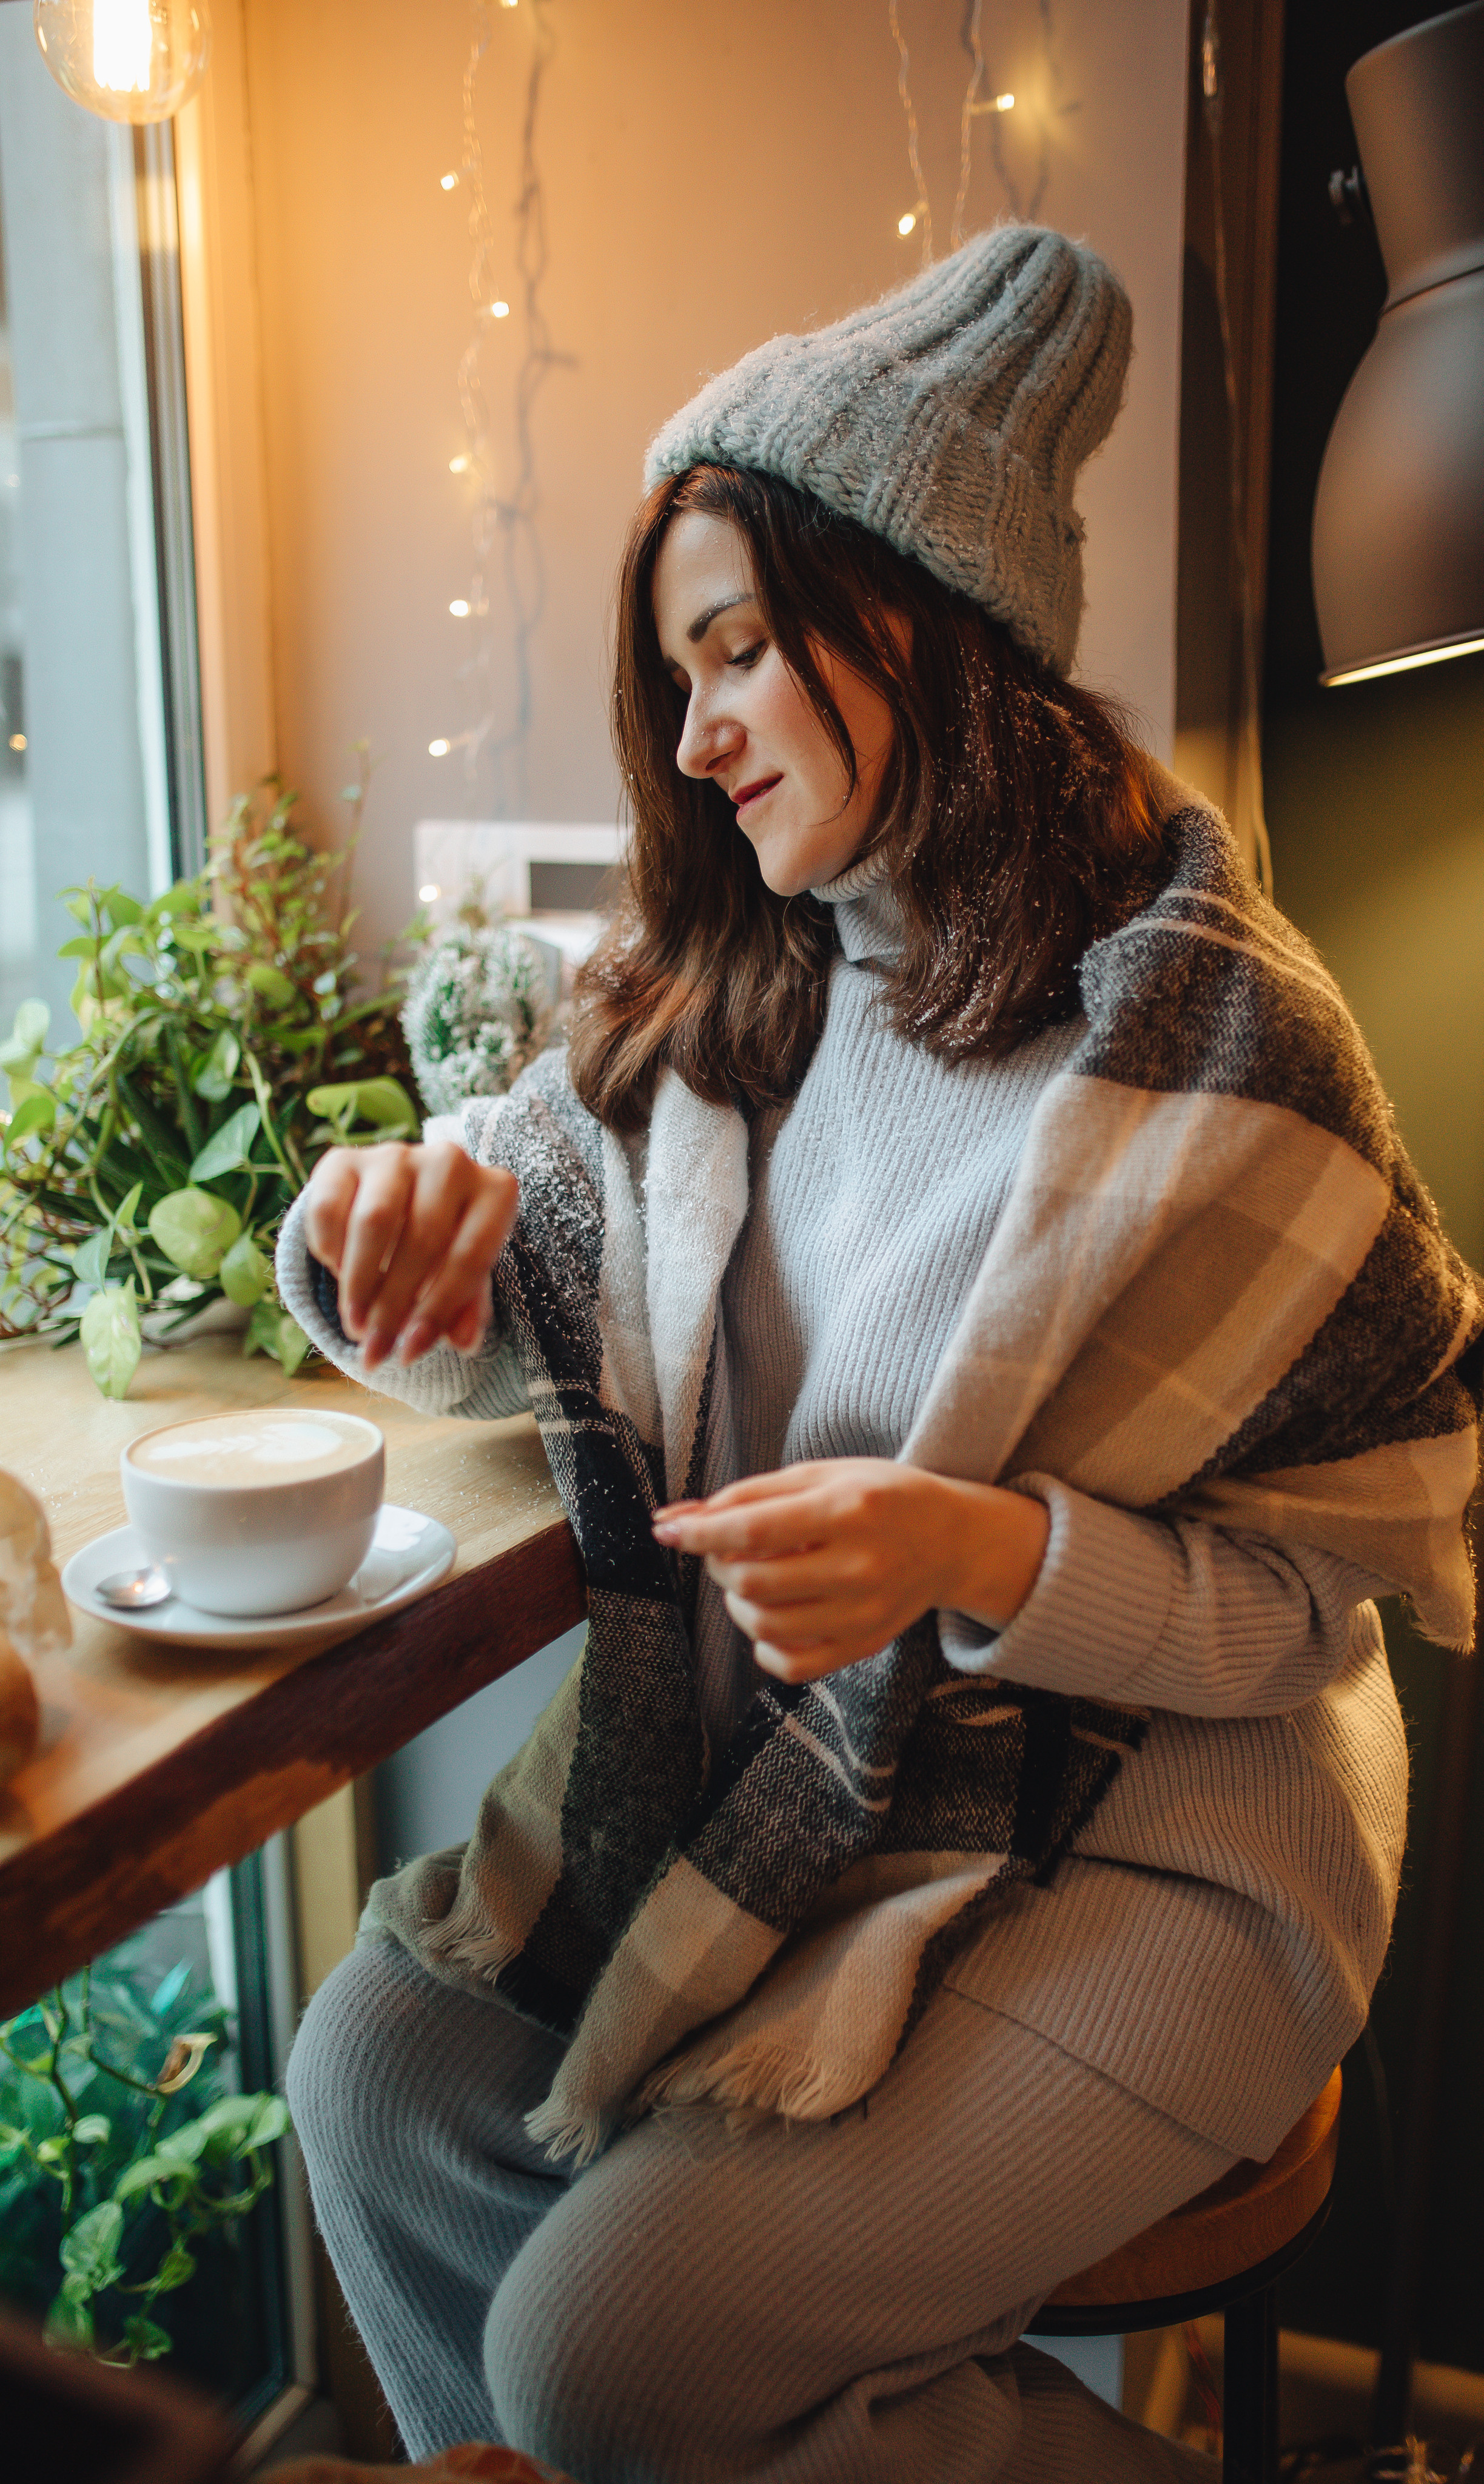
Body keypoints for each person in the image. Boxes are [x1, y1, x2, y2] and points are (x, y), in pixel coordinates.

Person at [277, 227, 1479, 2483]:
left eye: (738, 649)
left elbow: (1317, 1601)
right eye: (681, 674)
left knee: (606, 2360)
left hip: (1179, 1848)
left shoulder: (1220, 1045)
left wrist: (990, 1551)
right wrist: (377, 1245)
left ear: (921, 610)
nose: (700, 729)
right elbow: (501, 1333)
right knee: (370, 2076)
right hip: (819, 1811)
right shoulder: (727, 992)